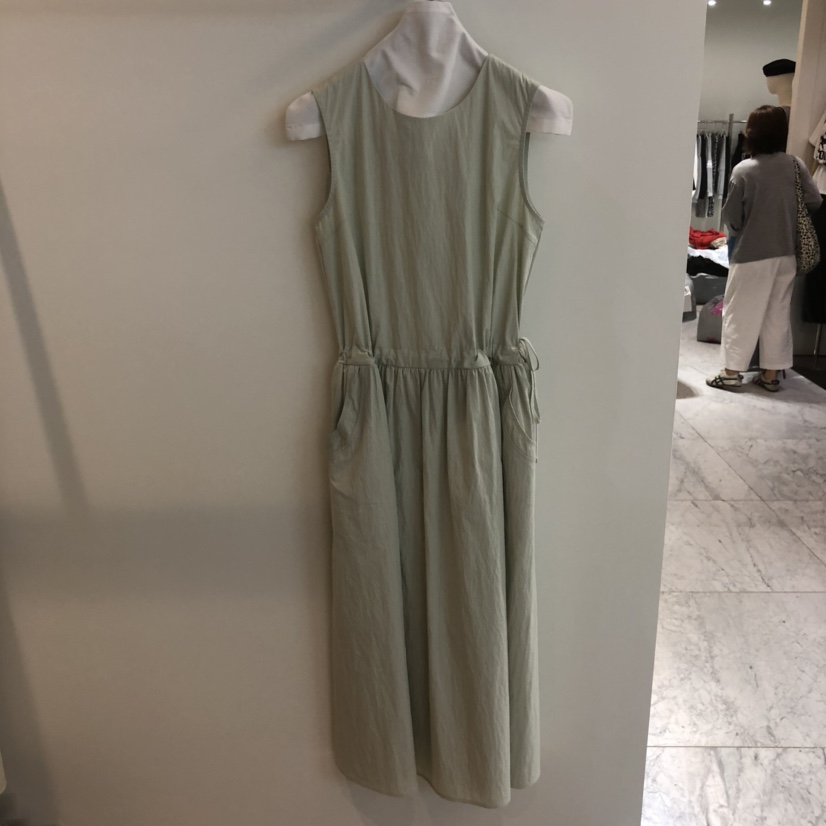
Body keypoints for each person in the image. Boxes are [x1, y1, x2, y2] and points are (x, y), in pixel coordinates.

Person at [707, 105, 822, 392]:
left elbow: (732, 218)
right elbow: (814, 200)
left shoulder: (744, 170)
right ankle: (770, 376)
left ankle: (732, 372)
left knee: (740, 312)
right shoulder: (795, 165)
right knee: (777, 314)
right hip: (787, 254)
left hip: (751, 255)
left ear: (752, 133)